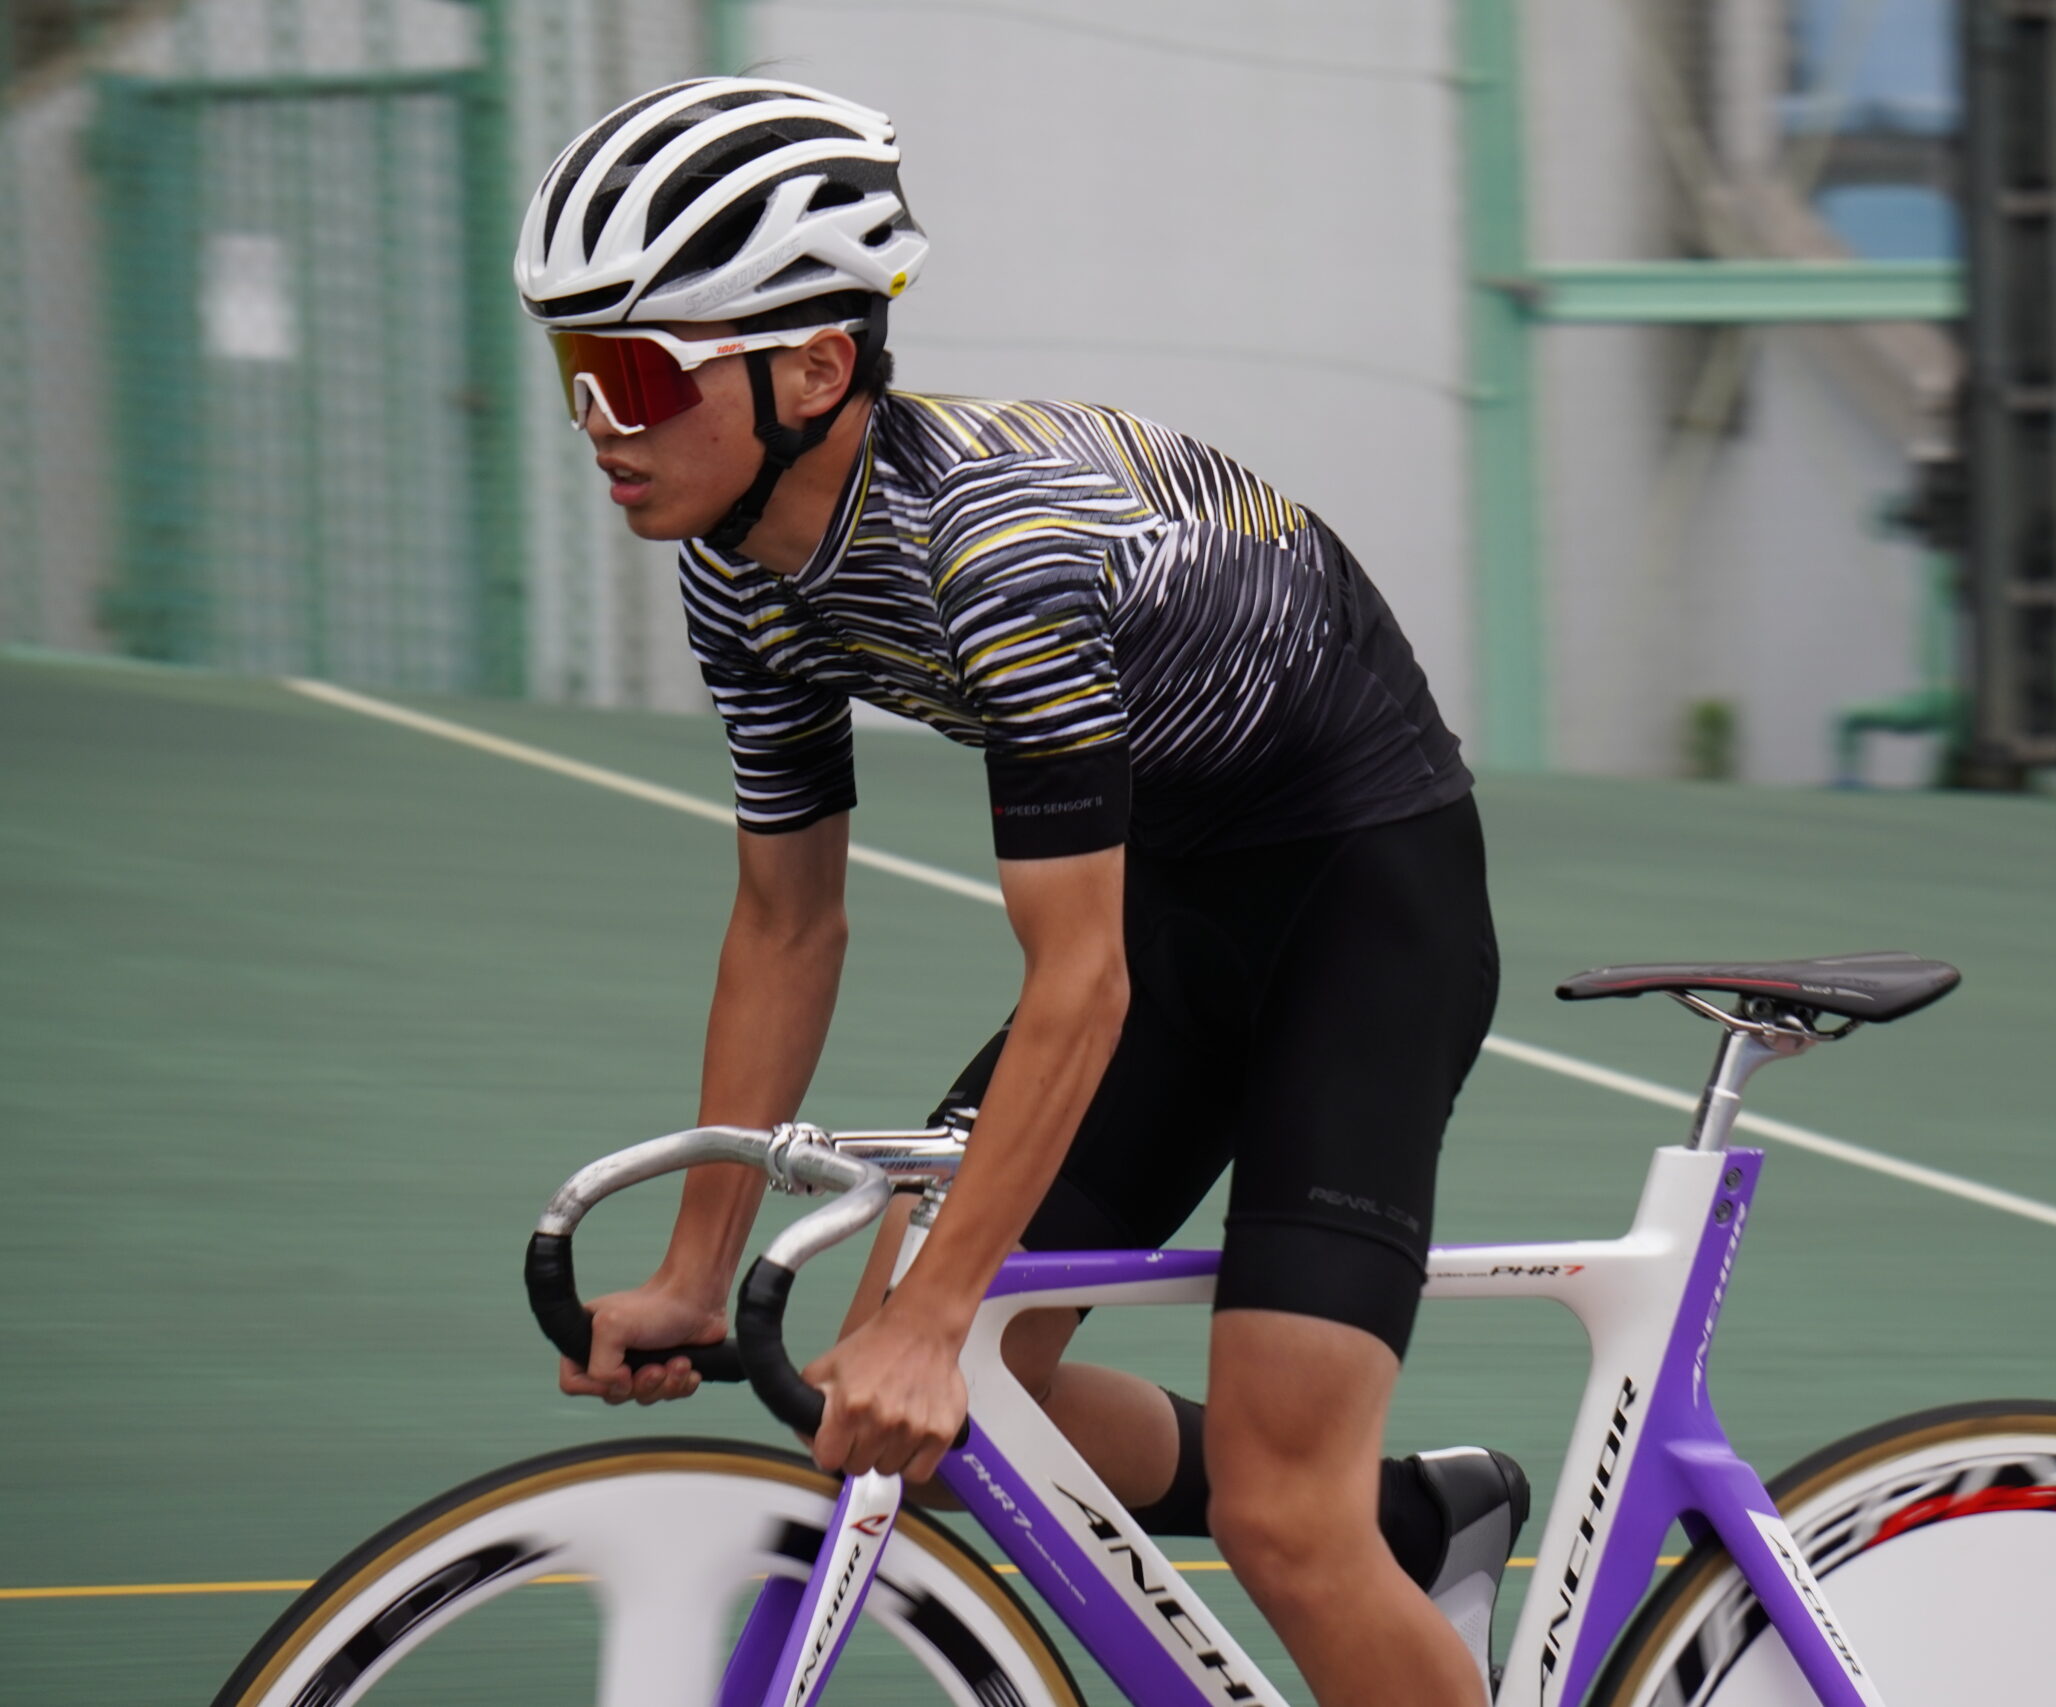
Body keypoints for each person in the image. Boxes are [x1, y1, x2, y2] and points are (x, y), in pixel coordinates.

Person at [516, 77, 1522, 1705]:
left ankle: (1362, 1533)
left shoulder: (1001, 555)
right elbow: (786, 921)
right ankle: (1430, 1521)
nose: (598, 426)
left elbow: (1081, 977)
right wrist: (702, 1270)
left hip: (1358, 906)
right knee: (901, 1412)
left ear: (814, 370)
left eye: (635, 374)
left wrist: (938, 1315)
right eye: (574, 371)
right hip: (1178, 896)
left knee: (1283, 1520)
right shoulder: (740, 575)